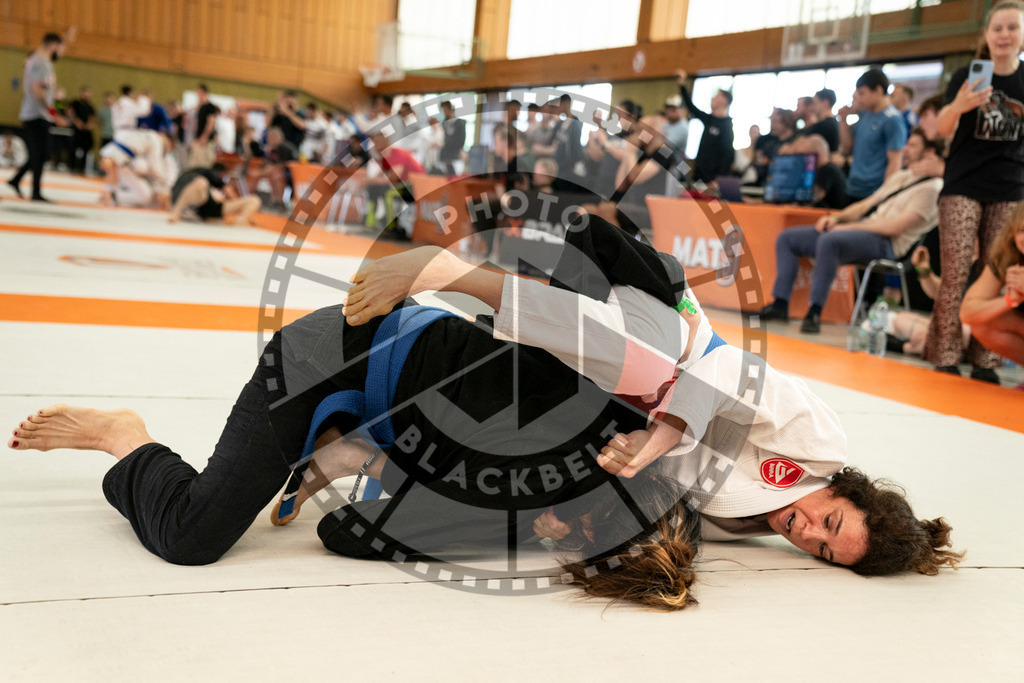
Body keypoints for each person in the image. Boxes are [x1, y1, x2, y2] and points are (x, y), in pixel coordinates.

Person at [343, 216, 963, 576]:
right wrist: (660, 434)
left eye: (824, 553)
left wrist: (577, 517)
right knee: (652, 364)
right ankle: (450, 272)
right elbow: (729, 372)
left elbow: (647, 484)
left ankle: (371, 462)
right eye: (830, 523)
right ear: (852, 494)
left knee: (535, 489)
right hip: (660, 320)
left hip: (606, 391)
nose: (807, 535)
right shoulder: (819, 444)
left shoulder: (742, 528)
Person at [6, 299, 704, 611]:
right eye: (577, 530)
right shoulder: (519, 492)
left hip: (393, 346)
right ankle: (125, 437)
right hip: (320, 360)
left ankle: (352, 452)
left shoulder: (631, 423)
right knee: (192, 533)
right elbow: (345, 532)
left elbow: (698, 355)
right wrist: (504, 529)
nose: (559, 539)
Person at [924, 0, 1024, 384]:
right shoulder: (967, 75)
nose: (1004, 35)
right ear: (986, 35)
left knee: (995, 272)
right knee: (956, 268)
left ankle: (987, 360)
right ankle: (945, 354)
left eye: (1012, 28)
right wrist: (961, 104)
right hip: (963, 185)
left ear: (1020, 35)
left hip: (1010, 189)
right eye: (997, 28)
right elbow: (942, 129)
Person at [760, 128, 944, 333]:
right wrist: (837, 217)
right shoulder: (902, 177)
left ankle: (814, 312)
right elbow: (865, 205)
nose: (905, 149)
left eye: (913, 145)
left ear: (930, 152)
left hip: (888, 245)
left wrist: (844, 227)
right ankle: (780, 304)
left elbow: (893, 228)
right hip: (864, 231)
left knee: (830, 240)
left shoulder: (933, 189)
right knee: (788, 238)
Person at [961, 202, 1024, 377]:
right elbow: (967, 312)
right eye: (1022, 230)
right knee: (983, 324)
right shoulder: (1008, 255)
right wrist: (1012, 299)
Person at [7, 31, 67, 202]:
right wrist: (54, 114)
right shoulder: (42, 63)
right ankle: (34, 191)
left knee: (39, 154)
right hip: (37, 115)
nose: (62, 52)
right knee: (41, 154)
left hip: (34, 114)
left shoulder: (34, 60)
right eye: (61, 48)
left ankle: (17, 180)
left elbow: (43, 90)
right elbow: (37, 91)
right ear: (54, 45)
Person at [839, 69, 907, 202]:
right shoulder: (865, 114)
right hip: (853, 187)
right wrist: (843, 120)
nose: (859, 98)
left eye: (862, 93)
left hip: (873, 191)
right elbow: (847, 147)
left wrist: (885, 195)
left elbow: (895, 160)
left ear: (878, 90)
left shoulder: (892, 119)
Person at [676, 69, 734, 184]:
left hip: (712, 179)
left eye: (716, 96)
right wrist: (682, 85)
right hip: (699, 174)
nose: (712, 99)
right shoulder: (709, 119)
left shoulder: (726, 126)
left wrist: (718, 180)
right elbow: (691, 107)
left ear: (724, 101)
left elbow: (728, 155)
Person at [98, 129, 176, 209]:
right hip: (123, 160)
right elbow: (155, 168)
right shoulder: (156, 141)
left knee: (113, 174)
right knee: (145, 196)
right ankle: (110, 196)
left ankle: (110, 195)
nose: (167, 149)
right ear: (164, 137)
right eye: (169, 146)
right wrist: (164, 187)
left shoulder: (147, 134)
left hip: (122, 158)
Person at [168, 163, 261, 224]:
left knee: (254, 200)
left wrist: (246, 214)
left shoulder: (204, 181)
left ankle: (241, 220)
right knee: (201, 183)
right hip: (189, 201)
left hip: (207, 206)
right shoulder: (207, 175)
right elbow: (228, 190)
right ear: (221, 173)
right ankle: (177, 212)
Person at [779, 134, 847, 209]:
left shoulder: (827, 169)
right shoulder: (822, 170)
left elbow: (814, 198)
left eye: (806, 156)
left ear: (818, 154)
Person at [67, 86, 96, 175]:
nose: (86, 95)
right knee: (73, 148)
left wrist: (90, 124)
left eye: (87, 93)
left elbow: (93, 117)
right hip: (76, 129)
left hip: (85, 130)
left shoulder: (90, 106)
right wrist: (76, 121)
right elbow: (69, 112)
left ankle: (81, 167)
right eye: (84, 92)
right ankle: (71, 166)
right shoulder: (75, 103)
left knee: (86, 149)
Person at [801, 88, 840, 152]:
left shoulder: (823, 126)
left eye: (814, 103)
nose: (812, 107)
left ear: (825, 103)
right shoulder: (836, 123)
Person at [439, 100, 466, 175]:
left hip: (454, 157)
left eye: (446, 110)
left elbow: (461, 141)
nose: (445, 113)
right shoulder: (444, 123)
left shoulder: (459, 123)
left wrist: (445, 144)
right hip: (444, 157)